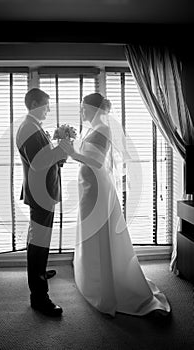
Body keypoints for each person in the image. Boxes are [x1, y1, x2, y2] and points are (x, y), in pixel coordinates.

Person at [60, 92, 171, 317]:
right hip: (87, 184)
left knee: (99, 230)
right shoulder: (90, 128)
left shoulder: (103, 128)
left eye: (83, 108)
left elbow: (98, 161)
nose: (81, 112)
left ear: (93, 108)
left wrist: (72, 153)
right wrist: (70, 147)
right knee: (89, 228)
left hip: (98, 187)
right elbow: (85, 154)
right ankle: (90, 277)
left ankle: (104, 284)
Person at [16, 88, 68, 317]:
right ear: (35, 103)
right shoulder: (28, 128)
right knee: (39, 241)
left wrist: (58, 146)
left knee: (38, 238)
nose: (48, 109)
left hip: (44, 191)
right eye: (46, 104)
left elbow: (46, 158)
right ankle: (39, 296)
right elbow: (40, 163)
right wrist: (64, 147)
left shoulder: (34, 126)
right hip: (41, 193)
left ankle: (39, 271)